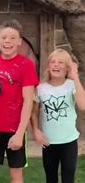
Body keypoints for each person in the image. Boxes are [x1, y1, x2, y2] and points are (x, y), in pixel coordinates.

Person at [0, 19, 39, 183]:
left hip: (14, 128)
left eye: (12, 38)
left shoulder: (26, 65)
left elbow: (28, 101)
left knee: (16, 175)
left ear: (19, 42)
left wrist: (20, 133)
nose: (7, 41)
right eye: (4, 37)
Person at [31, 49, 85, 183]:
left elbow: (82, 105)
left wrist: (75, 76)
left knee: (68, 178)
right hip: (48, 143)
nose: (56, 65)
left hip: (69, 141)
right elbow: (34, 111)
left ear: (67, 68)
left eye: (61, 62)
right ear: (48, 67)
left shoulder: (72, 85)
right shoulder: (41, 88)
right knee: (51, 178)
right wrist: (36, 130)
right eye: (53, 62)